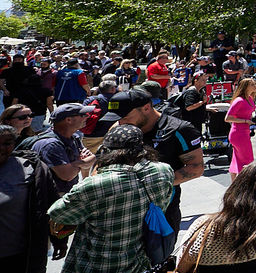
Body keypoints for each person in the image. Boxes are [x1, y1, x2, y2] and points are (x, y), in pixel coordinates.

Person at [47, 124, 175, 273]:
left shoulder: (97, 184)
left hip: (99, 264)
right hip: (141, 262)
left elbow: (58, 213)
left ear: (107, 151)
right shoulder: (164, 170)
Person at [108, 87, 205, 264]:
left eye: (125, 117)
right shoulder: (120, 127)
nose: (121, 123)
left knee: (157, 261)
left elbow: (196, 167)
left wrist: (153, 183)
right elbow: (102, 161)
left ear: (146, 107)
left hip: (161, 212)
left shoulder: (178, 129)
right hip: (122, 212)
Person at [0, 124, 61, 272]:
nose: (1, 148)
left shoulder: (32, 168)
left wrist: (59, 239)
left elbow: (53, 207)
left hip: (17, 257)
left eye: (7, 143)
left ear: (15, 144)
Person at [32, 103, 95, 194]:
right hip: (52, 196)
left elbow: (90, 160)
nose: (87, 117)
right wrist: (82, 162)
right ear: (68, 120)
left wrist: (78, 164)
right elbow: (67, 175)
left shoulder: (74, 137)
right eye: (83, 115)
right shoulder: (51, 144)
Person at [225, 78, 256, 179]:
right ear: (246, 86)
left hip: (244, 132)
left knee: (238, 159)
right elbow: (228, 118)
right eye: (252, 84)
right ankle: (244, 183)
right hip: (238, 133)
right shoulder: (239, 100)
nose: (255, 86)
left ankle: (234, 184)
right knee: (247, 159)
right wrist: (245, 121)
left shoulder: (249, 98)